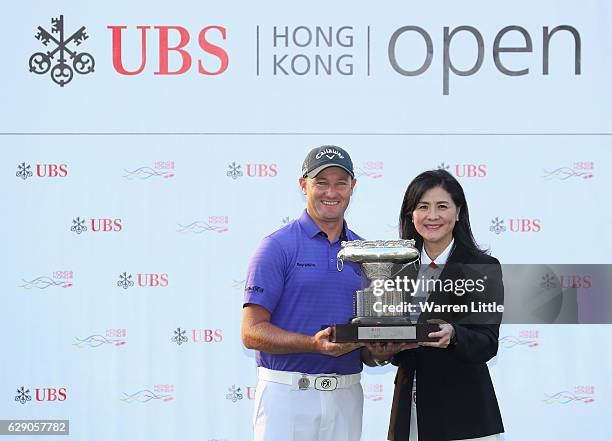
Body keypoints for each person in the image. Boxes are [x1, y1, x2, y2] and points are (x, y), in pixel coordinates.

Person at [243, 145, 384, 441]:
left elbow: (369, 347)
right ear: (303, 184)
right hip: (287, 395)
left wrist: (385, 349)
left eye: (340, 183)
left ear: (352, 187)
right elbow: (251, 332)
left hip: (346, 394)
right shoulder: (277, 247)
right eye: (321, 182)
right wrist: (313, 344)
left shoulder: (367, 253)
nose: (331, 192)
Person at [382, 169, 505, 441]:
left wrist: (454, 335)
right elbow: (392, 341)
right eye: (423, 207)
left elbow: (487, 342)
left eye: (442, 206)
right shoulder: (396, 270)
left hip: (465, 416)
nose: (432, 216)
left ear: (458, 212)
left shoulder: (482, 268)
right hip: (409, 415)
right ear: (411, 215)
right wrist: (383, 347)